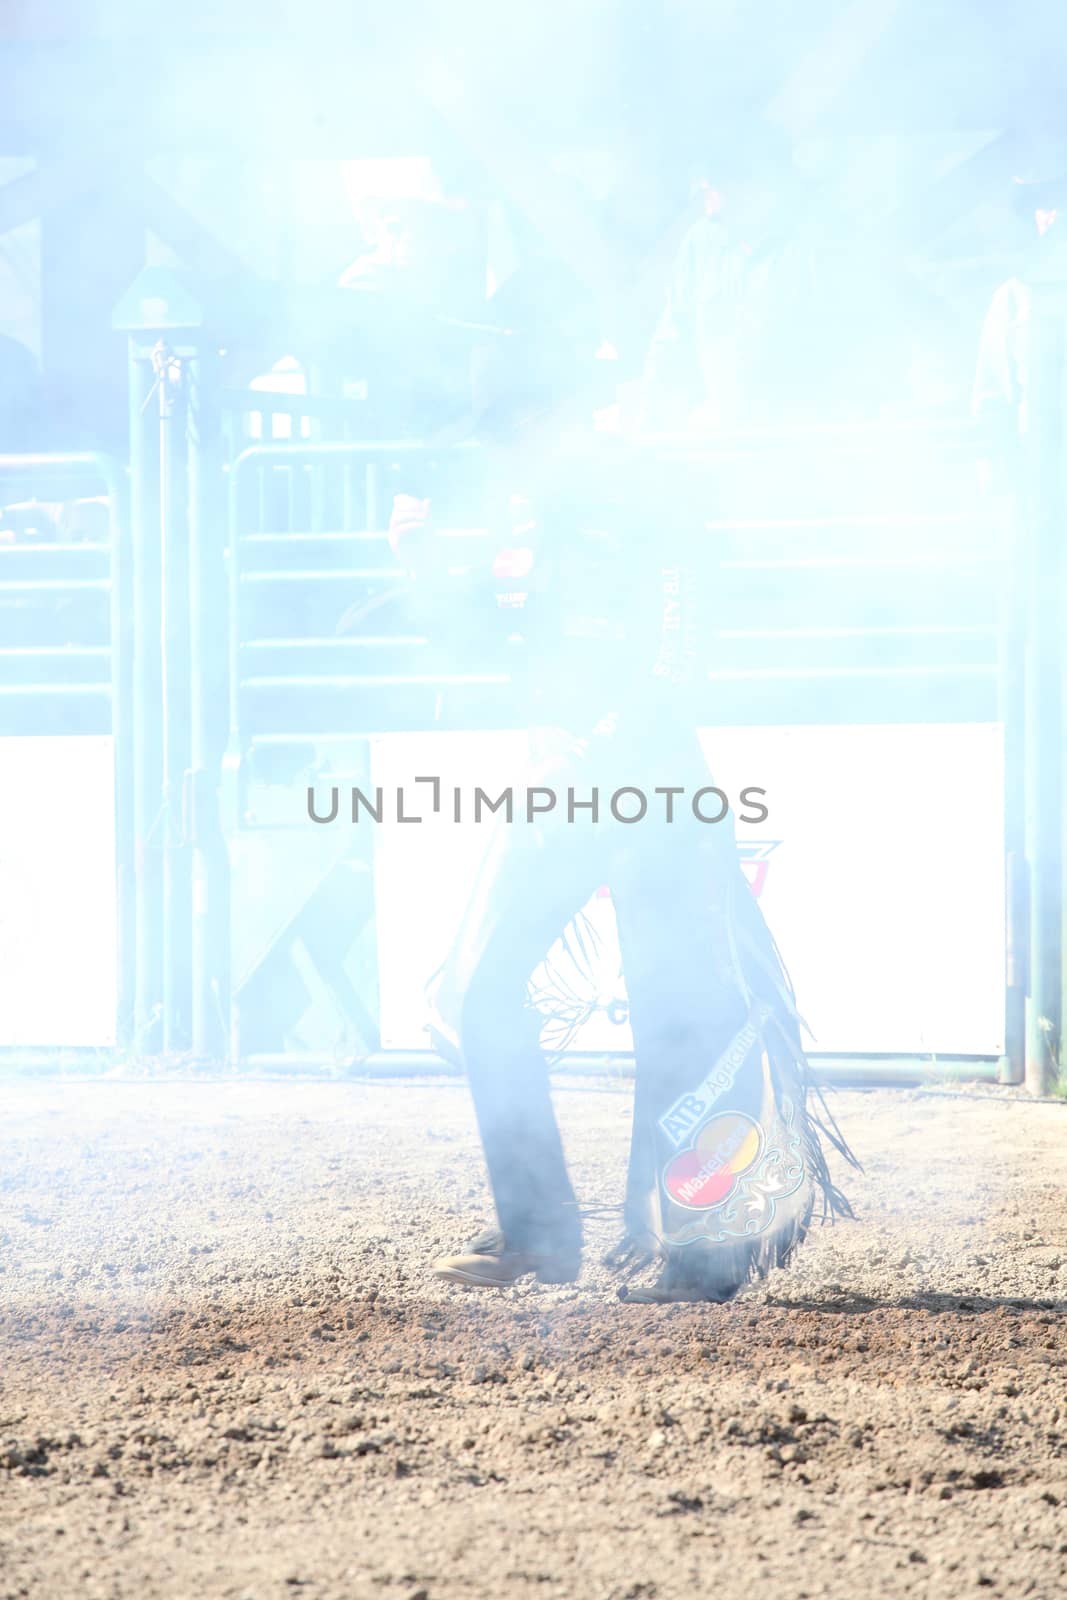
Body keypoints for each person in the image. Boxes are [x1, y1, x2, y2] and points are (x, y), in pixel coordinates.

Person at [382, 289, 856, 1302]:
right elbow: (486, 641)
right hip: (573, 768)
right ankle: (540, 1232)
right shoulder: (511, 494)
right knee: (478, 986)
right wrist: (429, 575)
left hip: (644, 775)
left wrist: (619, 726)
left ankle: (699, 1242)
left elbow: (680, 640)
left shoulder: (642, 490)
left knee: (676, 1004)